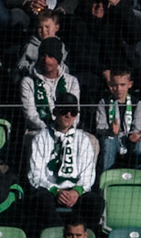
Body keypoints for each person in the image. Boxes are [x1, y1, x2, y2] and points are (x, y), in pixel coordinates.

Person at [26, 98, 103, 229]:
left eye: (73, 112)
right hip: (50, 190)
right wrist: (56, 191)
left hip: (75, 191)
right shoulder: (40, 138)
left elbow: (88, 173)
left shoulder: (83, 139)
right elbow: (35, 174)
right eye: (64, 111)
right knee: (40, 200)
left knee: (96, 202)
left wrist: (77, 191)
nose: (68, 115)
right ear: (55, 112)